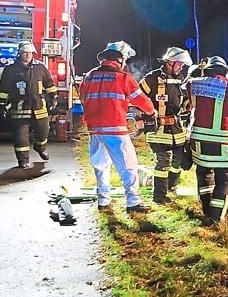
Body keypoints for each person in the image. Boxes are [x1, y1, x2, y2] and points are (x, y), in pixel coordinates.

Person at [80, 41, 156, 213]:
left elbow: (84, 98)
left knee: (101, 166)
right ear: (120, 59)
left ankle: (103, 201)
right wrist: (152, 113)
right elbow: (141, 101)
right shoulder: (122, 78)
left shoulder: (90, 76)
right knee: (128, 166)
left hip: (94, 129)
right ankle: (133, 203)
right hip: (115, 129)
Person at [187, 56, 228, 224]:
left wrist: (197, 71)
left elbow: (184, 86)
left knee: (203, 174)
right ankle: (216, 219)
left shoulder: (194, 83)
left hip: (199, 142)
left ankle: (206, 208)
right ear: (225, 71)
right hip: (222, 142)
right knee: (225, 179)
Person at [139, 47, 192, 203]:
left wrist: (188, 105)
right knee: (164, 160)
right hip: (159, 129)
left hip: (176, 128)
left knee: (179, 159)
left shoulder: (180, 80)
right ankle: (159, 196)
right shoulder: (152, 79)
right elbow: (136, 98)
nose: (181, 67)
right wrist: (144, 118)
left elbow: (182, 102)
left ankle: (171, 186)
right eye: (179, 64)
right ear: (170, 62)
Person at [0, 40, 56, 168]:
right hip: (19, 108)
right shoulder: (11, 70)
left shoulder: (40, 68)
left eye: (30, 52)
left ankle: (40, 148)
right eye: (25, 52)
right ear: (20, 53)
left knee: (43, 132)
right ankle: (23, 161)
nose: (28, 55)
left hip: (39, 107)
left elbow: (49, 84)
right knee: (20, 136)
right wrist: (2, 104)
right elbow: (4, 88)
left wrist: (53, 98)